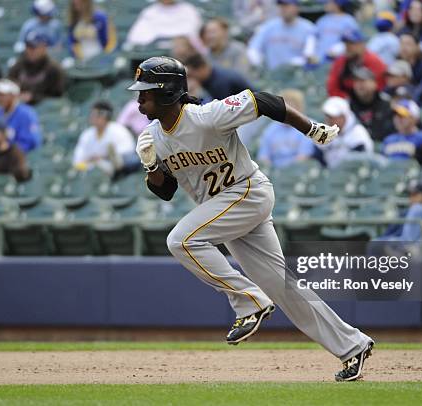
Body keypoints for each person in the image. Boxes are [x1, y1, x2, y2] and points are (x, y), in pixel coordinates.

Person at [128, 56, 374, 381]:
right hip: (225, 209)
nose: (139, 98)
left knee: (181, 240)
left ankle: (248, 303)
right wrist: (151, 167)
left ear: (168, 93)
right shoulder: (152, 137)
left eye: (146, 91)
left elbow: (264, 101)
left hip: (247, 191)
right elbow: (165, 191)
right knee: (283, 288)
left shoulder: (206, 117)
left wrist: (311, 128)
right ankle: (352, 345)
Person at [247, 0, 317, 70]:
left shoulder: (308, 28)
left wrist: (300, 62)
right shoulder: (268, 27)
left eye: (287, 5)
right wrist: (257, 63)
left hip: (298, 76)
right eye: (281, 5)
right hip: (272, 76)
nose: (283, 9)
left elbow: (311, 56)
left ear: (296, 7)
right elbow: (254, 49)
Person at [73, 101, 135, 175]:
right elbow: (77, 160)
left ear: (105, 116)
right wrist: (93, 160)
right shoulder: (86, 135)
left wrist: (104, 156)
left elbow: (129, 150)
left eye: (96, 115)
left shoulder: (118, 130)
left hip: (117, 165)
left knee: (128, 160)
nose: (92, 117)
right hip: (92, 168)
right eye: (92, 114)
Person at [256, 89, 314, 168]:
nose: (287, 113)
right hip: (275, 171)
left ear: (299, 109)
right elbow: (263, 157)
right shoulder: (271, 129)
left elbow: (304, 157)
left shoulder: (308, 125)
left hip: (297, 171)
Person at [8, 30, 66, 105]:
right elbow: (8, 86)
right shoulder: (18, 66)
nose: (29, 50)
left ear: (44, 47)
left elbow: (57, 96)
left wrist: (33, 97)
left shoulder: (54, 69)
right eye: (28, 46)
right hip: (20, 108)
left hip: (46, 111)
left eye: (33, 47)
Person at [326, 30, 387, 98]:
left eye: (352, 43)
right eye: (346, 43)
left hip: (370, 100)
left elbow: (380, 86)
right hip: (346, 100)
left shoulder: (374, 61)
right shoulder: (340, 61)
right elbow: (332, 87)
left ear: (362, 44)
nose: (348, 47)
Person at [318, 96, 374, 168]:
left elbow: (358, 162)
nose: (330, 120)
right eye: (328, 117)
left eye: (334, 117)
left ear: (345, 116)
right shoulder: (324, 134)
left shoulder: (358, 133)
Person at [0, 79, 42, 153]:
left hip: (19, 156)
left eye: (3, 95)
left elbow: (32, 142)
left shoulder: (26, 114)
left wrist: (7, 150)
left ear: (13, 96)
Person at [125, 0, 202, 49]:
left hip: (183, 53)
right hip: (154, 55)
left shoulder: (189, 10)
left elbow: (195, 35)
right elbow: (136, 37)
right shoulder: (149, 11)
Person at [349, 67, 395, 141]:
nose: (359, 85)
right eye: (356, 81)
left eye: (362, 81)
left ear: (374, 83)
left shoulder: (387, 103)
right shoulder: (348, 105)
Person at [184, 54, 254, 101]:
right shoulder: (209, 78)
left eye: (191, 75)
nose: (191, 79)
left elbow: (223, 111)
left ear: (202, 68)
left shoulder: (220, 82)